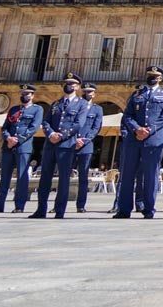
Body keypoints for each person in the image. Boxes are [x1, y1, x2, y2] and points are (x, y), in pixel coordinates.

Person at [115, 65, 163, 219]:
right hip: (134, 140)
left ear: (160, 78)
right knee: (127, 175)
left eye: (155, 76)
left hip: (154, 140)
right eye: (150, 75)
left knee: (151, 175)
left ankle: (149, 209)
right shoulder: (137, 94)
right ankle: (124, 209)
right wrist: (136, 129)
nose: (152, 78)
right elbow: (127, 115)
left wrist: (148, 130)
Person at [30, 73, 89, 219]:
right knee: (45, 178)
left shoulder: (81, 104)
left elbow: (78, 124)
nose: (68, 85)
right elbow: (46, 122)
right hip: (50, 144)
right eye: (66, 83)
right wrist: (50, 134)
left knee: (63, 178)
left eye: (72, 83)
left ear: (77, 86)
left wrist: (62, 135)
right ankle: (41, 209)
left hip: (66, 145)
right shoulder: (56, 103)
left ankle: (59, 210)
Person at [0, 84, 42, 214]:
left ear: (32, 95)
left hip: (23, 147)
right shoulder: (13, 109)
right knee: (4, 176)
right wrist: (8, 138)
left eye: (28, 94)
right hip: (8, 147)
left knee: (22, 177)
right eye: (23, 93)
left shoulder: (37, 109)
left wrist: (18, 139)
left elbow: (34, 128)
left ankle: (19, 205)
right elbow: (5, 127)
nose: (25, 96)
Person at [73, 82, 103, 213]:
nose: (87, 94)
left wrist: (84, 140)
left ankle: (81, 205)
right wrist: (74, 139)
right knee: (63, 176)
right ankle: (58, 204)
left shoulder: (97, 109)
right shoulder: (74, 106)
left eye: (90, 92)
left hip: (86, 145)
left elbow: (96, 128)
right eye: (85, 92)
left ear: (94, 94)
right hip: (71, 143)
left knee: (83, 177)